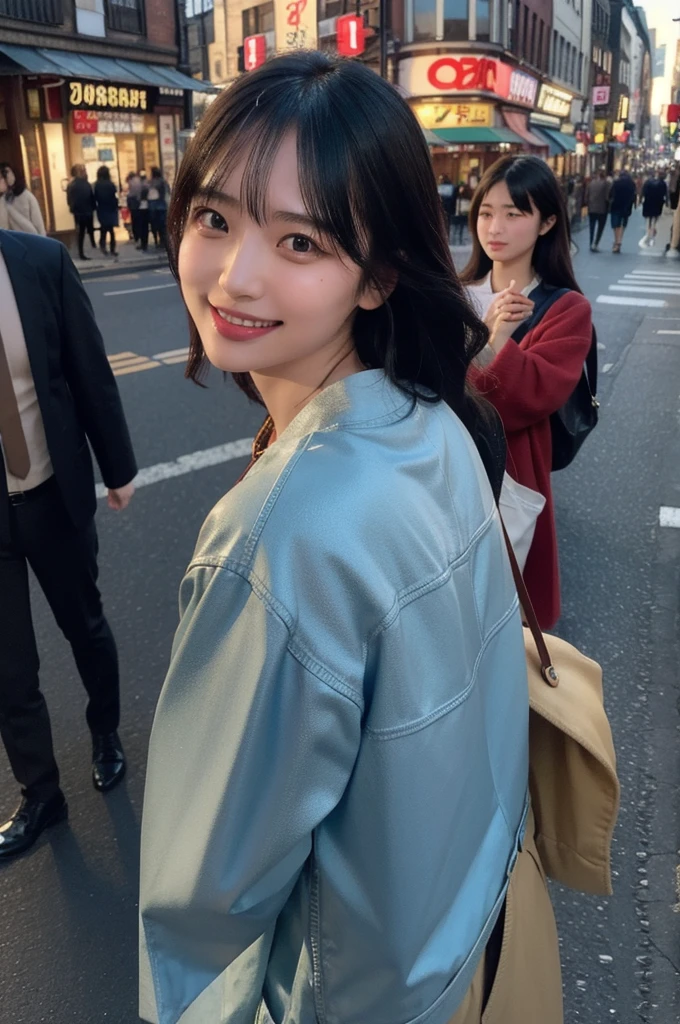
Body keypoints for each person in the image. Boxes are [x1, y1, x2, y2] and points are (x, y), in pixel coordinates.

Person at [139, 51, 562, 1024]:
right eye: (213, 218)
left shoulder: (276, 537)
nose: (234, 274)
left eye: (297, 241)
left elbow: (202, 915)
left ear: (376, 279)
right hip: (478, 934)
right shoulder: (444, 420)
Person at [0, 227, 137, 860]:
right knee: (8, 665)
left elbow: (88, 368)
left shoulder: (40, 262)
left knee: (84, 625)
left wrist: (118, 468)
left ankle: (105, 732)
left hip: (52, 489)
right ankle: (40, 791)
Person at [460, 155, 593, 630]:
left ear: (547, 222)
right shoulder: (453, 294)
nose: (495, 227)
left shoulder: (565, 309)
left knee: (496, 619)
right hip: (437, 470)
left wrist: (494, 341)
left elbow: (528, 398)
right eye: (486, 212)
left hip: (508, 479)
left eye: (514, 214)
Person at [0, 164, 46, 235]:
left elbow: (38, 224)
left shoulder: (27, 196)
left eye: (2, 177)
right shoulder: (3, 200)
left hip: (31, 240)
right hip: (13, 242)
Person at [67, 164, 96, 260]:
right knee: (89, 230)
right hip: (87, 211)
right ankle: (92, 246)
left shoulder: (71, 184)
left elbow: (69, 200)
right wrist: (93, 207)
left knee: (81, 233)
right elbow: (91, 197)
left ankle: (81, 252)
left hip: (78, 212)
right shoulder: (86, 184)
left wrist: (73, 208)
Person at [608, 168, 636, 253]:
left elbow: (610, 194)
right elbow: (633, 195)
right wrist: (634, 204)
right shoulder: (632, 183)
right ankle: (619, 240)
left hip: (616, 205)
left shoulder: (616, 183)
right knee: (623, 224)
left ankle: (617, 241)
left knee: (616, 225)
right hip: (627, 207)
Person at [93, 165, 119, 257]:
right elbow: (114, 196)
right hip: (111, 208)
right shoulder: (110, 184)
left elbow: (95, 197)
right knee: (111, 230)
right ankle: (112, 249)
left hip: (102, 208)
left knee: (103, 229)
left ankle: (103, 246)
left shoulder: (97, 185)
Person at [639, 168, 668, 248]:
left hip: (648, 203)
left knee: (648, 219)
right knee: (655, 219)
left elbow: (643, 191)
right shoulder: (663, 184)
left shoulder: (648, 182)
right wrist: (667, 202)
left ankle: (648, 233)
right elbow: (666, 194)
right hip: (658, 204)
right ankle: (652, 233)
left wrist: (640, 200)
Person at [586, 168, 610, 252]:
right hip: (602, 209)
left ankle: (591, 242)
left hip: (592, 208)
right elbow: (607, 197)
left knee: (592, 226)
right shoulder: (606, 183)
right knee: (600, 227)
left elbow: (587, 195)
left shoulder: (591, 183)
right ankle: (595, 243)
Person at [147, 166, 169, 250]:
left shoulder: (151, 183)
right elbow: (168, 192)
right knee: (162, 225)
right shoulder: (163, 182)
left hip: (153, 206)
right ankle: (163, 241)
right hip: (162, 205)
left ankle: (156, 241)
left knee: (154, 225)